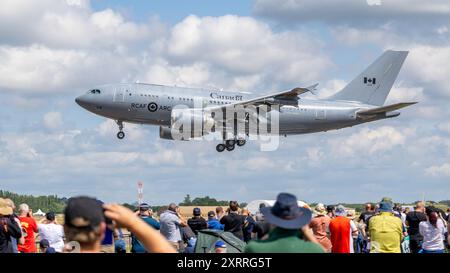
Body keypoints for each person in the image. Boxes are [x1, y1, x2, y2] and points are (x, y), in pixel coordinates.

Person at [245, 193, 324, 253]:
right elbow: (321, 250)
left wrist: (272, 233)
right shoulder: (313, 249)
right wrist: (306, 231)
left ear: (273, 219)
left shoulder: (254, 248)